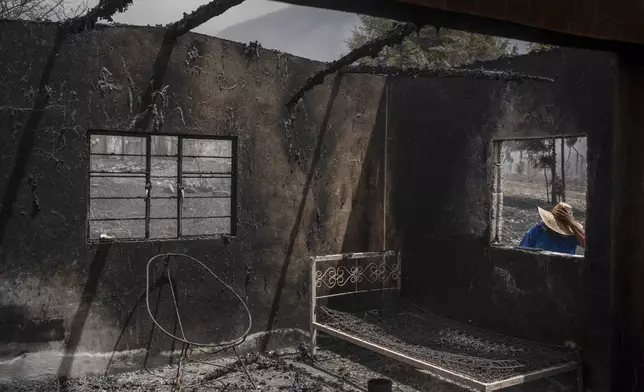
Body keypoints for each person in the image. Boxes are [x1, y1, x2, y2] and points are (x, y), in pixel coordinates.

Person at [519, 202, 586, 255]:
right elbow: (521, 251)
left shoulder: (573, 235)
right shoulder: (539, 230)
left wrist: (573, 223)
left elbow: (590, 246)